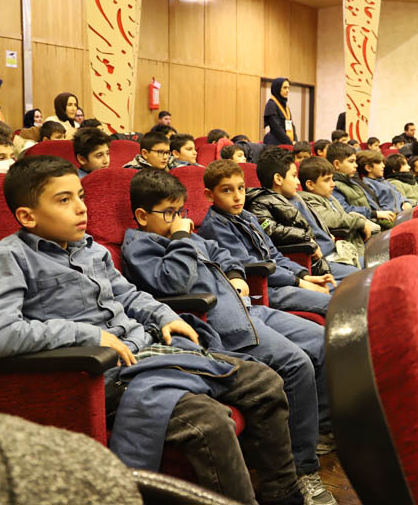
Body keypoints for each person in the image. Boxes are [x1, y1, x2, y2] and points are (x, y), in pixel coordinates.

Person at [0, 156, 305, 505]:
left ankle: (283, 497)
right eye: (64, 200)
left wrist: (165, 316)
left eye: (81, 196)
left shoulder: (90, 248)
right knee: (208, 420)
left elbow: (129, 295)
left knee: (264, 381)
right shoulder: (7, 256)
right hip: (97, 372)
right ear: (28, 216)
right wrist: (90, 336)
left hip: (146, 349)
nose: (81, 208)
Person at [120, 170, 339, 505]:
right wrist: (180, 238)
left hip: (249, 310)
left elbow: (220, 252)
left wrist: (236, 275)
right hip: (222, 325)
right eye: (169, 213)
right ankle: (302, 470)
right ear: (141, 216)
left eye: (181, 211)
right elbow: (173, 282)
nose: (178, 219)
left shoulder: (187, 235)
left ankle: (319, 432)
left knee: (322, 339)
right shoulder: (140, 246)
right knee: (296, 364)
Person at [198, 160, 333, 316]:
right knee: (333, 303)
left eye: (241, 188)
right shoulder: (215, 227)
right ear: (210, 195)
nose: (237, 197)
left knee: (337, 293)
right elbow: (250, 265)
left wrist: (304, 275)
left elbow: (273, 254)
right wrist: (298, 282)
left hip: (279, 281)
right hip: (260, 290)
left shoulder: (247, 217)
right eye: (227, 190)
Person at [245, 147, 356, 281]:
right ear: (278, 179)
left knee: (370, 266)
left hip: (333, 253)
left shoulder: (295, 197)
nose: (298, 182)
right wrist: (306, 238)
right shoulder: (260, 203)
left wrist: (326, 233)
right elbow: (270, 228)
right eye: (294, 176)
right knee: (361, 277)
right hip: (316, 262)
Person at [298, 156, 376, 267]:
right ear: (310, 184)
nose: (333, 184)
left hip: (353, 245)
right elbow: (331, 219)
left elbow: (343, 215)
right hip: (339, 251)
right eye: (327, 180)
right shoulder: (308, 201)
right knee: (376, 263)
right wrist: (360, 223)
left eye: (332, 179)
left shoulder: (329, 197)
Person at [328, 143, 396, 229]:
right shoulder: (334, 185)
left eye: (355, 161)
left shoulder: (352, 181)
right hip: (364, 228)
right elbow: (345, 210)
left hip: (374, 222)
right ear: (337, 164)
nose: (356, 165)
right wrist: (374, 214)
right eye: (351, 161)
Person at [263, 78, 295, 145]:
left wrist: (295, 141)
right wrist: (290, 143)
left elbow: (291, 125)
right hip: (275, 143)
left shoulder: (285, 106)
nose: (288, 91)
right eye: (285, 88)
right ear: (277, 88)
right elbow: (276, 128)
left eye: (288, 88)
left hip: (287, 142)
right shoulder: (271, 105)